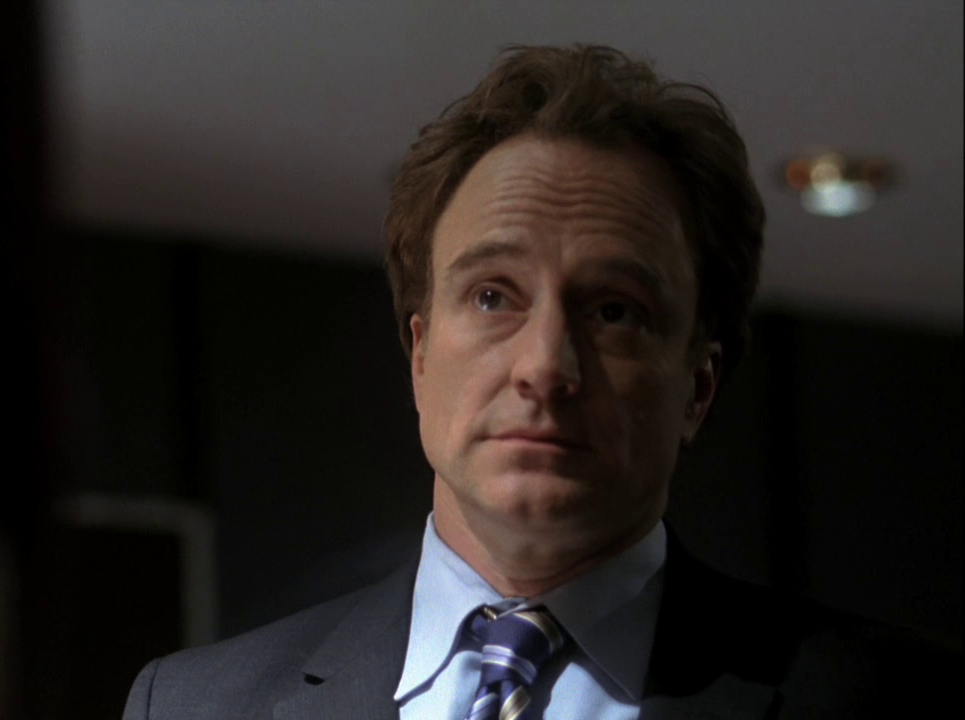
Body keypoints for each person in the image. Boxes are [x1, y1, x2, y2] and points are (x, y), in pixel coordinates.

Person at [122, 44, 959, 719]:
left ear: (698, 387)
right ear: (420, 355)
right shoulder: (193, 707)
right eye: (493, 296)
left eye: (615, 311)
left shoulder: (902, 700)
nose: (546, 367)